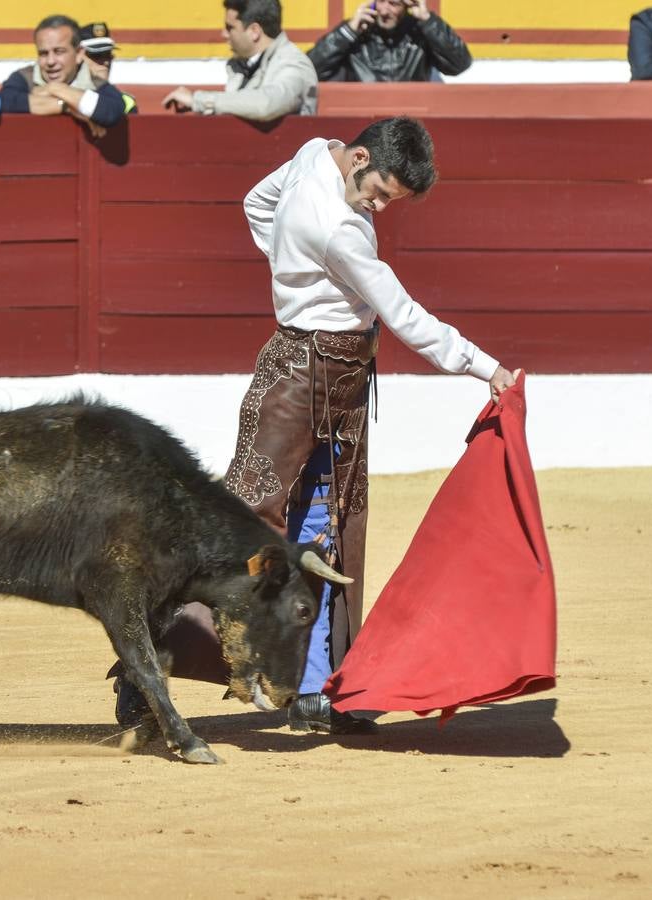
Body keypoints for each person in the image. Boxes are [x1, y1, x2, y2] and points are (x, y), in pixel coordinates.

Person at [113, 117, 515, 737]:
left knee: (327, 526)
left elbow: (257, 201)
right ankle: (147, 667)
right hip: (302, 381)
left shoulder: (314, 154)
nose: (380, 207)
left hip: (337, 379)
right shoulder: (341, 230)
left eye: (391, 201)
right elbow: (405, 317)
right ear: (358, 158)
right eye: (378, 191)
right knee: (244, 530)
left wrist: (287, 267)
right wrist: (486, 368)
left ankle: (316, 684)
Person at [161, 0, 317, 120]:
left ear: (254, 31)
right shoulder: (242, 64)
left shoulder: (294, 63)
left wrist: (199, 100)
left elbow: (266, 104)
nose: (224, 34)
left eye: (230, 28)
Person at [0, 15, 128, 133]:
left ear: (79, 54)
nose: (50, 61)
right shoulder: (24, 77)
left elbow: (111, 111)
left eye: (59, 52)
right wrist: (67, 106)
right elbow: (4, 101)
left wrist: (55, 89)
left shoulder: (95, 82)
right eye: (43, 53)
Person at [307, 0, 471, 83]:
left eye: (393, 3)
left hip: (412, 120)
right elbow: (309, 70)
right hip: (363, 120)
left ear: (407, 5)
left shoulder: (420, 32)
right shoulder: (357, 31)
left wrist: (428, 20)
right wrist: (347, 32)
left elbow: (460, 64)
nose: (384, 10)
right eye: (381, 1)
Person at [79, 21, 138, 114]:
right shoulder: (62, 96)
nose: (105, 62)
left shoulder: (126, 103)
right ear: (78, 57)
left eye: (107, 55)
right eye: (96, 55)